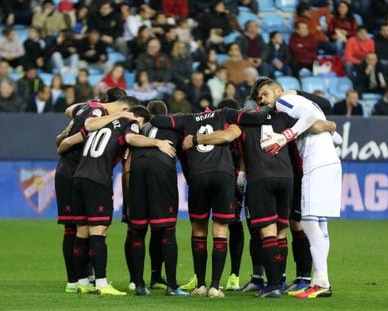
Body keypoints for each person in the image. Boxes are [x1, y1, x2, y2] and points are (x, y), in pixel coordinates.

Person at [150, 101, 273, 298]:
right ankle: (215, 286)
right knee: (221, 230)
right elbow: (255, 118)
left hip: (198, 176)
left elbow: (156, 119)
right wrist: (270, 106)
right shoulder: (225, 114)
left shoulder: (186, 119)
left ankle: (200, 285)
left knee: (198, 231)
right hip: (223, 176)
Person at [58, 96, 176, 296]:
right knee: (98, 232)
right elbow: (131, 138)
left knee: (81, 232)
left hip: (78, 178)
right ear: (138, 119)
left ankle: (80, 282)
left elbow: (67, 141)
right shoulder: (129, 123)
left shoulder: (101, 124)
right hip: (97, 180)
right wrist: (157, 142)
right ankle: (102, 284)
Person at [257, 79, 342, 298]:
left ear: (278, 90)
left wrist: (284, 137)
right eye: (260, 97)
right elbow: (337, 137)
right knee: (319, 223)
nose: (263, 100)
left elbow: (312, 120)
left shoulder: (284, 101)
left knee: (307, 220)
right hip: (330, 160)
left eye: (265, 94)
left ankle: (322, 281)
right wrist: (328, 127)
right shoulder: (307, 103)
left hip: (316, 163)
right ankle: (319, 280)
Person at [53, 88, 128, 293]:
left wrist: (64, 135)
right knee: (75, 229)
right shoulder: (98, 114)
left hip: (75, 171)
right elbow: (67, 141)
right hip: (73, 171)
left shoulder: (89, 106)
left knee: (82, 229)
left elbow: (69, 111)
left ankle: (85, 278)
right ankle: (74, 280)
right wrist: (62, 143)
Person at [127, 101, 189, 296]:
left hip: (138, 170)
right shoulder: (176, 125)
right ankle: (171, 285)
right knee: (167, 231)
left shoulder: (141, 127)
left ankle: (138, 285)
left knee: (137, 230)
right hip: (161, 170)